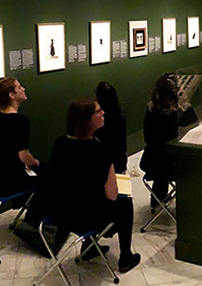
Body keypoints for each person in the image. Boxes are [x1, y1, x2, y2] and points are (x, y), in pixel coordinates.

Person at [45, 97, 141, 272]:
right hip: (87, 217)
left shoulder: (60, 143)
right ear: (87, 120)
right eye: (98, 111)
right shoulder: (99, 150)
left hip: (61, 213)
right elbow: (111, 195)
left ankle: (89, 247)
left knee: (86, 196)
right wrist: (110, 167)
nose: (103, 112)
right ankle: (125, 257)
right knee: (125, 202)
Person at [0, 77, 39, 199]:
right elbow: (24, 156)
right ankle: (33, 217)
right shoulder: (20, 121)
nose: (23, 89)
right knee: (49, 177)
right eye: (19, 87)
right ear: (11, 95)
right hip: (11, 182)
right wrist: (35, 162)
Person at [139, 73, 179, 211]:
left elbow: (147, 137)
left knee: (160, 168)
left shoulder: (150, 110)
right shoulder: (176, 113)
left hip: (150, 162)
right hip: (172, 165)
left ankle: (157, 200)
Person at [94, 82, 128, 174]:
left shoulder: (97, 121)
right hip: (118, 162)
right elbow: (122, 145)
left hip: (103, 164)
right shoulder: (119, 118)